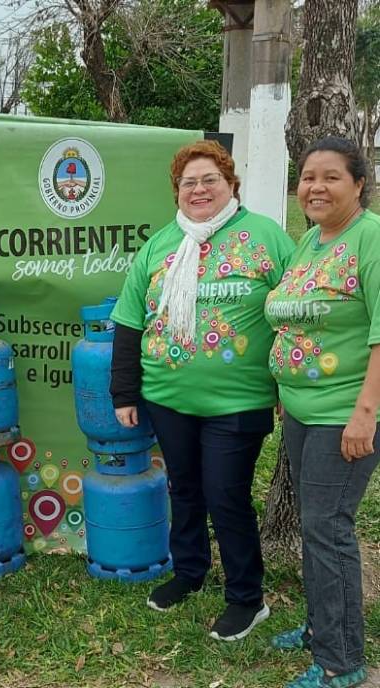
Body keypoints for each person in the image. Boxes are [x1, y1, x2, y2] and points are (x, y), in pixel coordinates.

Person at [110, 140, 295, 641]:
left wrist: (288, 382)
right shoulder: (160, 244)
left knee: (225, 494)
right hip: (167, 396)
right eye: (188, 182)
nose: (199, 189)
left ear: (231, 184)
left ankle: (247, 598)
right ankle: (189, 572)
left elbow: (296, 313)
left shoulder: (267, 237)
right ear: (177, 191)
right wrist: (124, 392)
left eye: (209, 179)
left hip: (240, 401)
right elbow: (129, 320)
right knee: (185, 488)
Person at [265, 137, 379, 688]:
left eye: (331, 177)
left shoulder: (371, 237)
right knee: (316, 527)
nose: (316, 187)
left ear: (358, 183)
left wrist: (365, 413)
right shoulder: (310, 240)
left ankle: (342, 661)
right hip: (302, 410)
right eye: (308, 177)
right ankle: (319, 629)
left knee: (328, 528)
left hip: (344, 411)